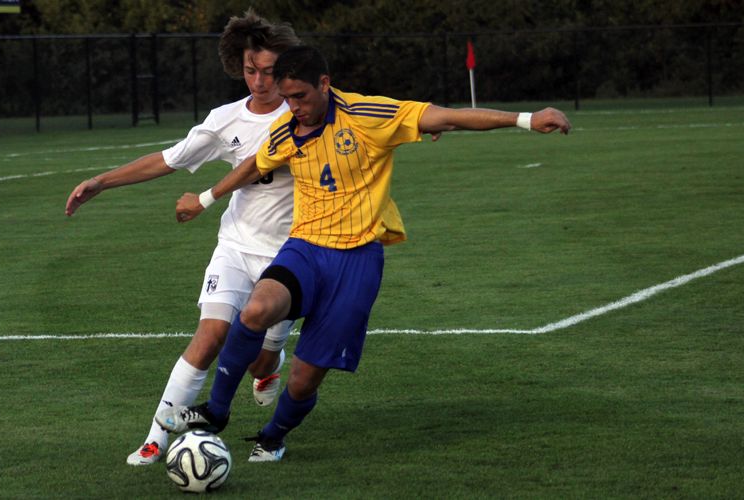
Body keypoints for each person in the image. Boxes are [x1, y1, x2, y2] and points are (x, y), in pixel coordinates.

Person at [158, 45, 572, 462]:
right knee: (255, 311)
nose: (293, 108)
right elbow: (255, 164)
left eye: (300, 97)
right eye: (286, 99)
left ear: (324, 84)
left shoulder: (369, 116)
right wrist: (208, 198)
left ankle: (273, 435)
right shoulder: (286, 129)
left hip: (356, 263)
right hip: (304, 248)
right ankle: (217, 410)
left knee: (303, 380)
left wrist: (526, 119)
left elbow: (445, 116)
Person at [64, 10, 301, 466]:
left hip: (289, 256)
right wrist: (100, 182)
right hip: (235, 245)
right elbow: (168, 160)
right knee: (210, 335)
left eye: (269, 72)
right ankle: (158, 436)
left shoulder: (307, 113)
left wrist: (428, 126)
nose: (259, 81)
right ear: (239, 65)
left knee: (261, 361)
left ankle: (270, 361)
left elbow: (367, 119)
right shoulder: (226, 119)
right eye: (251, 70)